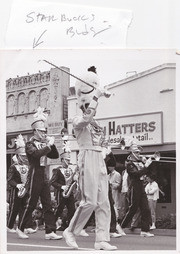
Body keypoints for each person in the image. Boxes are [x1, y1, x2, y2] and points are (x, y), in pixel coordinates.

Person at [63, 67, 117, 250]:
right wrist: (96, 96)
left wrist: (107, 149)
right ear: (84, 105)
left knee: (103, 202)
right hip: (86, 158)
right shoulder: (77, 120)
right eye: (90, 106)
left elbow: (100, 139)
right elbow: (86, 119)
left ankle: (101, 239)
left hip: (99, 159)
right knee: (90, 201)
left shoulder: (97, 124)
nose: (94, 109)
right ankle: (70, 231)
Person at [17, 107, 62, 240]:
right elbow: (36, 155)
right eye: (41, 131)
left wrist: (51, 144)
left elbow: (54, 155)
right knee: (31, 203)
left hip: (44, 175)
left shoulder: (43, 143)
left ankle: (50, 231)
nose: (44, 133)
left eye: (44, 131)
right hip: (34, 174)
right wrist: (47, 146)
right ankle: (20, 228)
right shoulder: (30, 144)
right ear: (35, 131)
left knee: (47, 204)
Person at [121, 141, 154, 237]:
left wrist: (146, 164)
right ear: (131, 153)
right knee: (133, 209)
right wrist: (146, 165)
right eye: (137, 152)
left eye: (139, 152)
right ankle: (120, 226)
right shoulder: (129, 164)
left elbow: (147, 174)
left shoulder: (138, 162)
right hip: (134, 187)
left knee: (146, 209)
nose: (139, 154)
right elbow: (136, 175)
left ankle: (145, 230)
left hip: (141, 186)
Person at [7, 135, 36, 236]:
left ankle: (26, 226)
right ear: (18, 156)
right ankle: (9, 226)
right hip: (16, 190)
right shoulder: (13, 167)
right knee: (14, 208)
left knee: (25, 208)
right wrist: (17, 185)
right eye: (22, 156)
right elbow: (9, 180)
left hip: (26, 190)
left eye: (25, 156)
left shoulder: (28, 166)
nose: (24, 158)